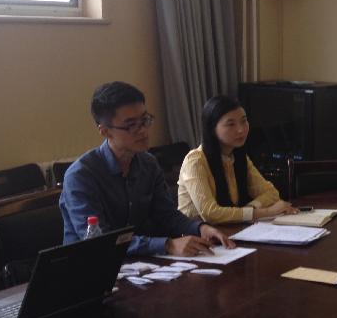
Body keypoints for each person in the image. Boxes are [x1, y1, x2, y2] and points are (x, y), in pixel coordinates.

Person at [60, 82, 235, 258]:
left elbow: (166, 215)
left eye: (145, 120)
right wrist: (167, 245)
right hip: (92, 267)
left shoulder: (148, 163)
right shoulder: (81, 176)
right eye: (131, 125)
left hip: (143, 263)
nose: (143, 130)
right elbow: (99, 241)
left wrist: (200, 228)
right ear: (105, 131)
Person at [177, 95, 297, 224]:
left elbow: (271, 193)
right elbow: (210, 213)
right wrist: (266, 212)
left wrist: (250, 208)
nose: (241, 130)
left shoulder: (238, 156)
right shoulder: (195, 161)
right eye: (231, 124)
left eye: (244, 121)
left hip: (229, 229)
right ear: (212, 129)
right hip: (194, 233)